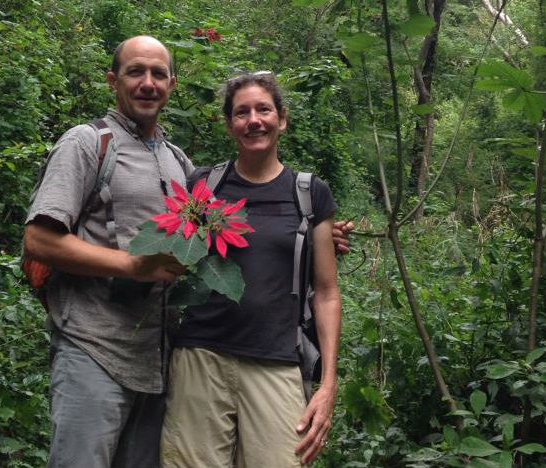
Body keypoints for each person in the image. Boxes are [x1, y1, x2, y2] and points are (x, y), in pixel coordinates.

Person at [23, 37, 352, 467]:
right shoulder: (90, 144)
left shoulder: (178, 164)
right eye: (135, 72)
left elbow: (215, 242)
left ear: (172, 84)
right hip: (96, 346)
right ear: (112, 80)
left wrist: (318, 240)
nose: (148, 83)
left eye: (158, 74)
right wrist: (132, 265)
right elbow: (38, 240)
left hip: (154, 358)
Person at [160, 72, 342, 468]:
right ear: (229, 125)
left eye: (264, 109)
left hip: (276, 358)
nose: (253, 120)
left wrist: (328, 384)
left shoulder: (311, 194)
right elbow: (175, 255)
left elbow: (326, 292)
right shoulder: (203, 186)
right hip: (200, 357)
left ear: (282, 118)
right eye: (241, 113)